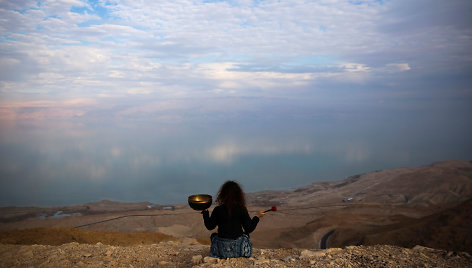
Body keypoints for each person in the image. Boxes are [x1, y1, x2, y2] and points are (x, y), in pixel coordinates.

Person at [201, 180, 265, 258]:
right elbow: (249, 228)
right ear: (239, 195)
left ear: (222, 194)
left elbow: (210, 226)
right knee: (245, 235)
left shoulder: (218, 209)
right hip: (239, 251)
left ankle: (218, 251)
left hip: (221, 251)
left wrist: (205, 213)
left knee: (214, 236)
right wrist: (257, 217)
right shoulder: (241, 209)